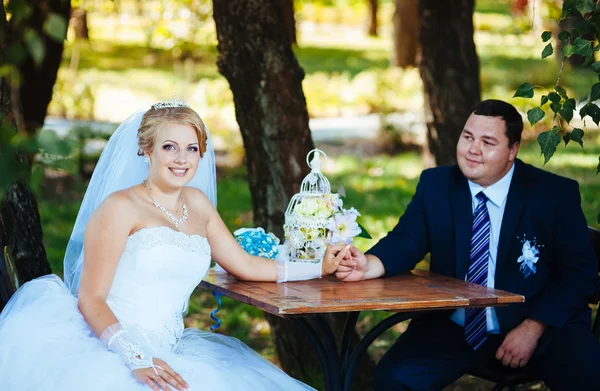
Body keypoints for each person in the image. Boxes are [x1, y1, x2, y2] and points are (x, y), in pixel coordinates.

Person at [0, 98, 348, 391]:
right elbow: (91, 298)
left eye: (191, 149)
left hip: (172, 347)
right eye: (170, 147)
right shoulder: (120, 208)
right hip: (111, 345)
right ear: (146, 150)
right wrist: (135, 358)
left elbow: (245, 265)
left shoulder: (197, 204)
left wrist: (320, 267)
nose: (182, 159)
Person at [336, 99, 600, 390]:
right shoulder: (436, 185)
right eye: (468, 137)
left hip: (541, 322)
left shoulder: (553, 195)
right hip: (456, 325)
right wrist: (369, 264)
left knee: (590, 376)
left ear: (512, 150)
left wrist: (532, 328)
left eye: (488, 142)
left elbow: (579, 274)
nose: (473, 149)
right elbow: (405, 240)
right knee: (394, 378)